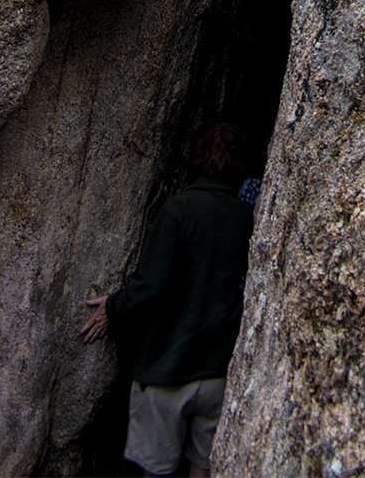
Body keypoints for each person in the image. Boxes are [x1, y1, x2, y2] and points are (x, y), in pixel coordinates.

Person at [82, 121, 254, 477]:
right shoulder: (246, 217)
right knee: (204, 469)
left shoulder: (179, 209)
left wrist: (112, 306)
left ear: (197, 156)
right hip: (219, 372)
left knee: (156, 472)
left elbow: (151, 285)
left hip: (168, 369)